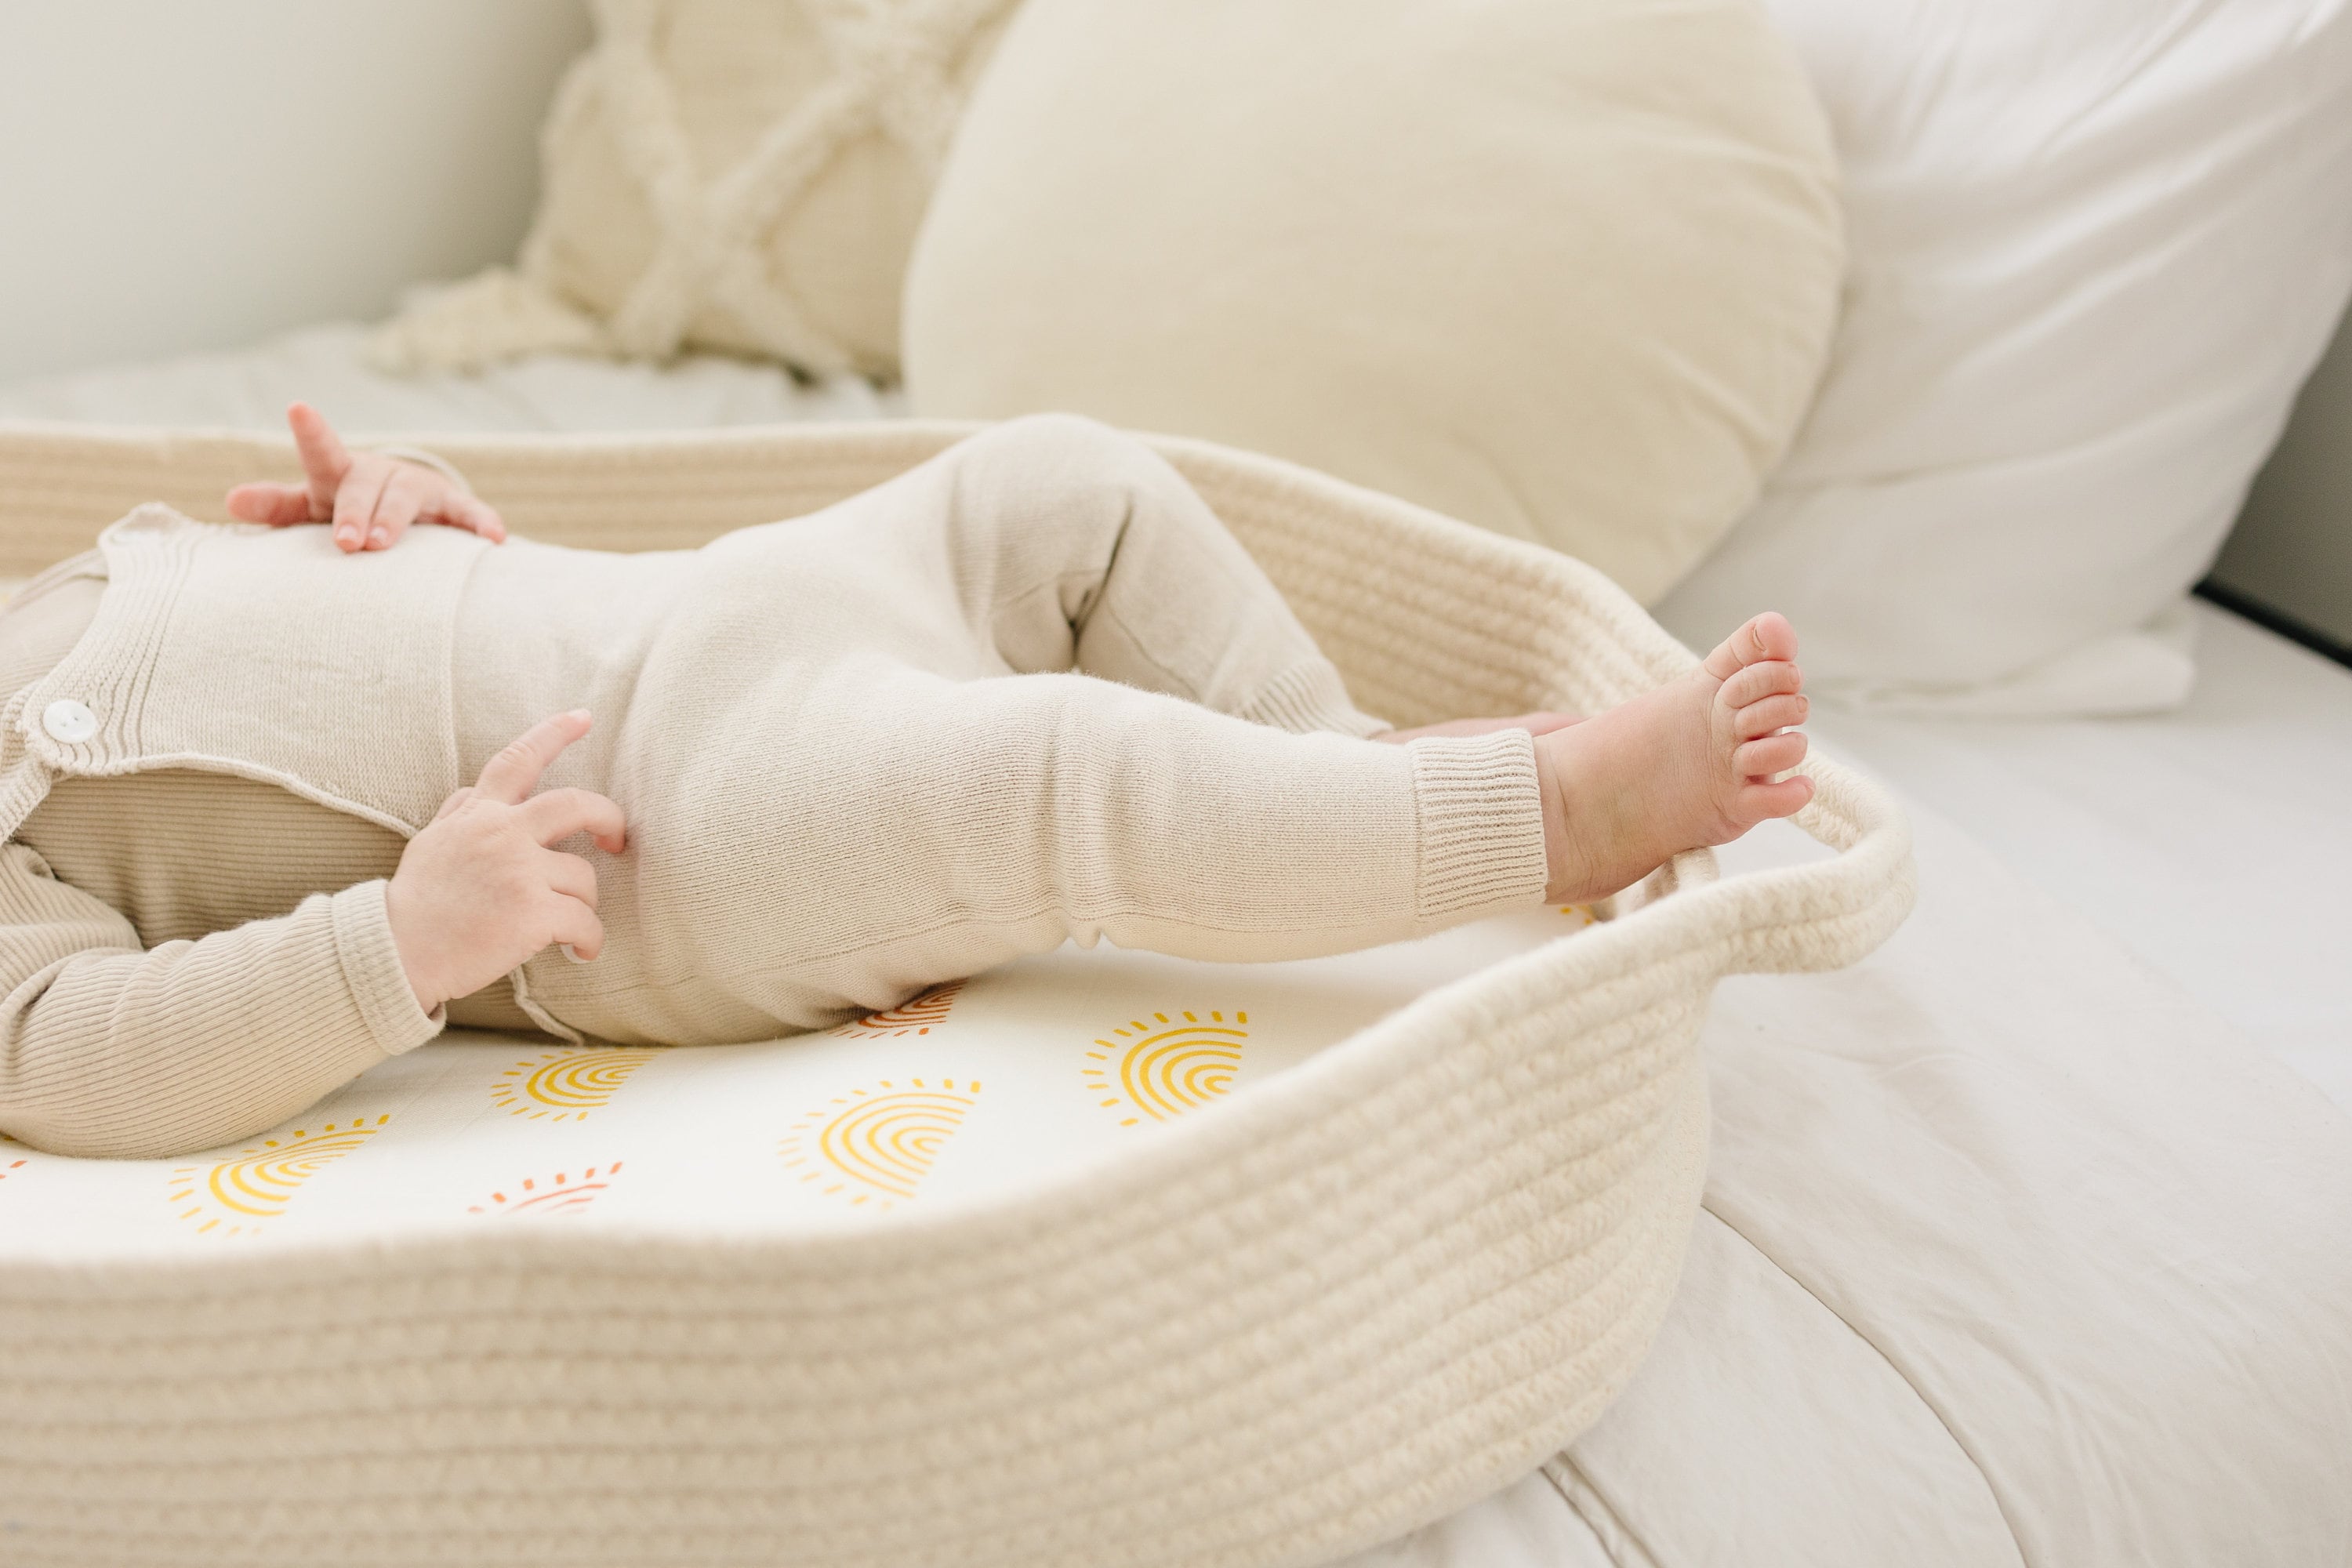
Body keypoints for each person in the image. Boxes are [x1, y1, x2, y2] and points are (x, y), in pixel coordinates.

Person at [0, 405, 1811, 1160]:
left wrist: (396, 506)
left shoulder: (54, 585)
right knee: (1051, 776)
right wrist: (399, 940)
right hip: (654, 849)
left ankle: (1327, 780)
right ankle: (1547, 818)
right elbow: (82, 1058)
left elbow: (321, 626)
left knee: (1063, 483)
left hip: (706, 605)